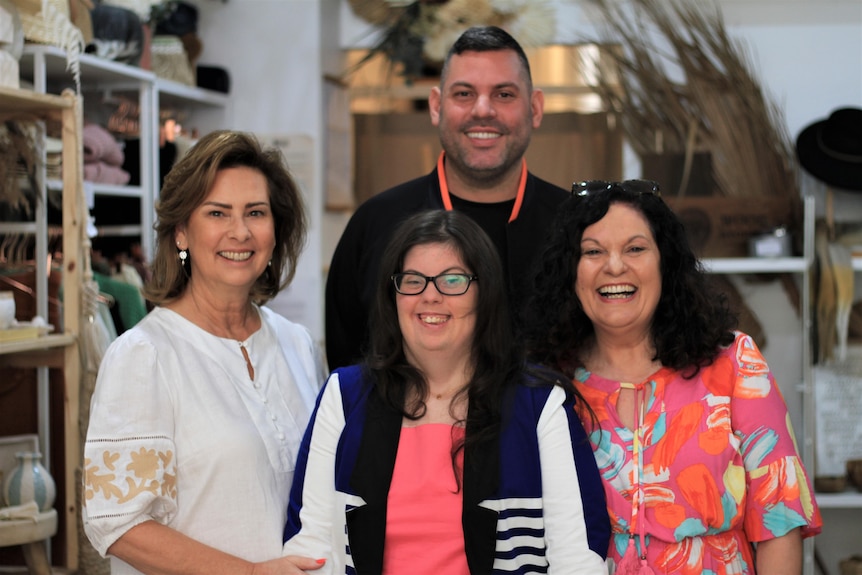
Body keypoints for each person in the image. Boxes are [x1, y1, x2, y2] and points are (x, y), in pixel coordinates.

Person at [284, 210, 611, 574]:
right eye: (413, 280)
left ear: (483, 292)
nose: (430, 296)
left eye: (452, 280)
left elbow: (578, 560)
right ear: (392, 295)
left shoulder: (539, 404)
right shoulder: (344, 397)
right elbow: (308, 549)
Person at [523, 180, 823, 574]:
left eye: (635, 248)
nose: (615, 266)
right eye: (593, 251)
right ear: (570, 271)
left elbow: (779, 519)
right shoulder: (545, 383)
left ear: (665, 262)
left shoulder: (733, 363)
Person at [82, 130, 326, 575]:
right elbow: (118, 524)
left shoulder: (297, 344)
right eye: (217, 213)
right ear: (181, 232)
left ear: (276, 230)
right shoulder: (143, 356)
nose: (240, 231)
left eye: (256, 212)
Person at [324, 25, 569, 371]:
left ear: (535, 108)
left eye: (504, 95)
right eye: (464, 94)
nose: (483, 110)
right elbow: (349, 379)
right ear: (437, 106)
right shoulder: (375, 225)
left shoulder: (578, 227)